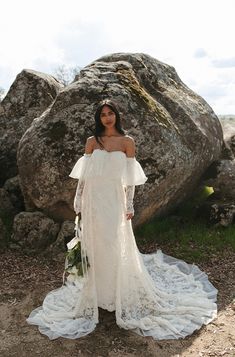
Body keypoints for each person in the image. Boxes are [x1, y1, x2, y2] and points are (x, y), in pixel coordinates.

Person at [26, 99, 217, 340]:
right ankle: (98, 293)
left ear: (116, 116)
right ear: (99, 118)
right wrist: (78, 199)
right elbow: (84, 176)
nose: (107, 117)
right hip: (93, 199)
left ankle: (116, 293)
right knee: (95, 244)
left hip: (114, 200)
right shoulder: (92, 142)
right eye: (103, 114)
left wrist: (128, 204)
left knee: (114, 242)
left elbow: (129, 180)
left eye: (110, 113)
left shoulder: (128, 143)